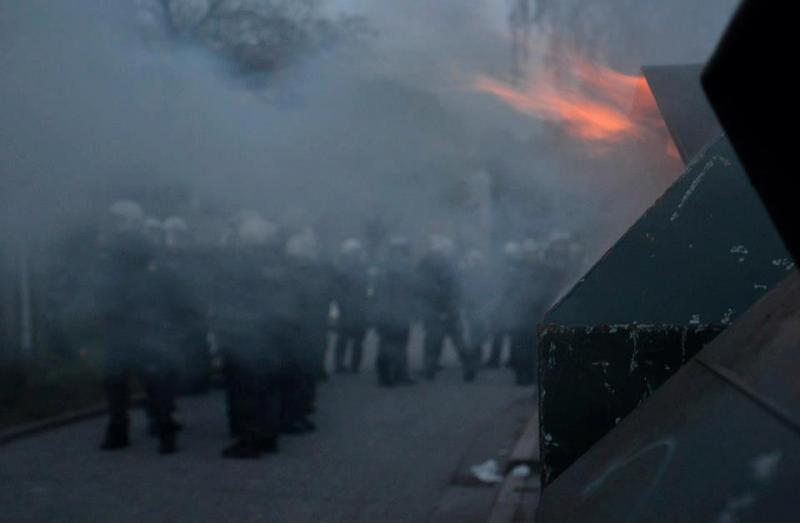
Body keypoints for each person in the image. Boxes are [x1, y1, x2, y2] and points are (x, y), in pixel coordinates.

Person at [97, 201, 183, 455]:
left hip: (130, 323)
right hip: (142, 324)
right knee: (151, 382)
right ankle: (163, 432)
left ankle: (121, 431)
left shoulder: (115, 248)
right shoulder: (146, 246)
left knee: (121, 382)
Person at [211, 212, 281, 458]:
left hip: (245, 334)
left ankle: (249, 442)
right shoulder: (274, 261)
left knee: (245, 390)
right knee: (266, 389)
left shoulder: (242, 263)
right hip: (269, 334)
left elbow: (229, 298)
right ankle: (268, 437)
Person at [417, 235, 477, 382]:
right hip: (449, 310)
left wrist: (442, 309)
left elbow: (434, 290)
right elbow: (457, 290)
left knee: (433, 341)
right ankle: (469, 367)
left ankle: (429, 370)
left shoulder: (432, 266)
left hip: (439, 311)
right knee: (457, 341)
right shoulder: (452, 266)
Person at [372, 236, 416, 387]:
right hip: (390, 312)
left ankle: (399, 373)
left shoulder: (402, 267)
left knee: (400, 343)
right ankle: (385, 376)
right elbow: (382, 293)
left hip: (400, 312)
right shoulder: (387, 269)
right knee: (388, 344)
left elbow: (411, 291)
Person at [332, 239, 369, 374]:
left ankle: (342, 364)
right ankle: (352, 365)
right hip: (354, 308)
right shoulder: (359, 267)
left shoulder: (342, 267)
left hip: (351, 308)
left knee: (346, 339)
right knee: (353, 340)